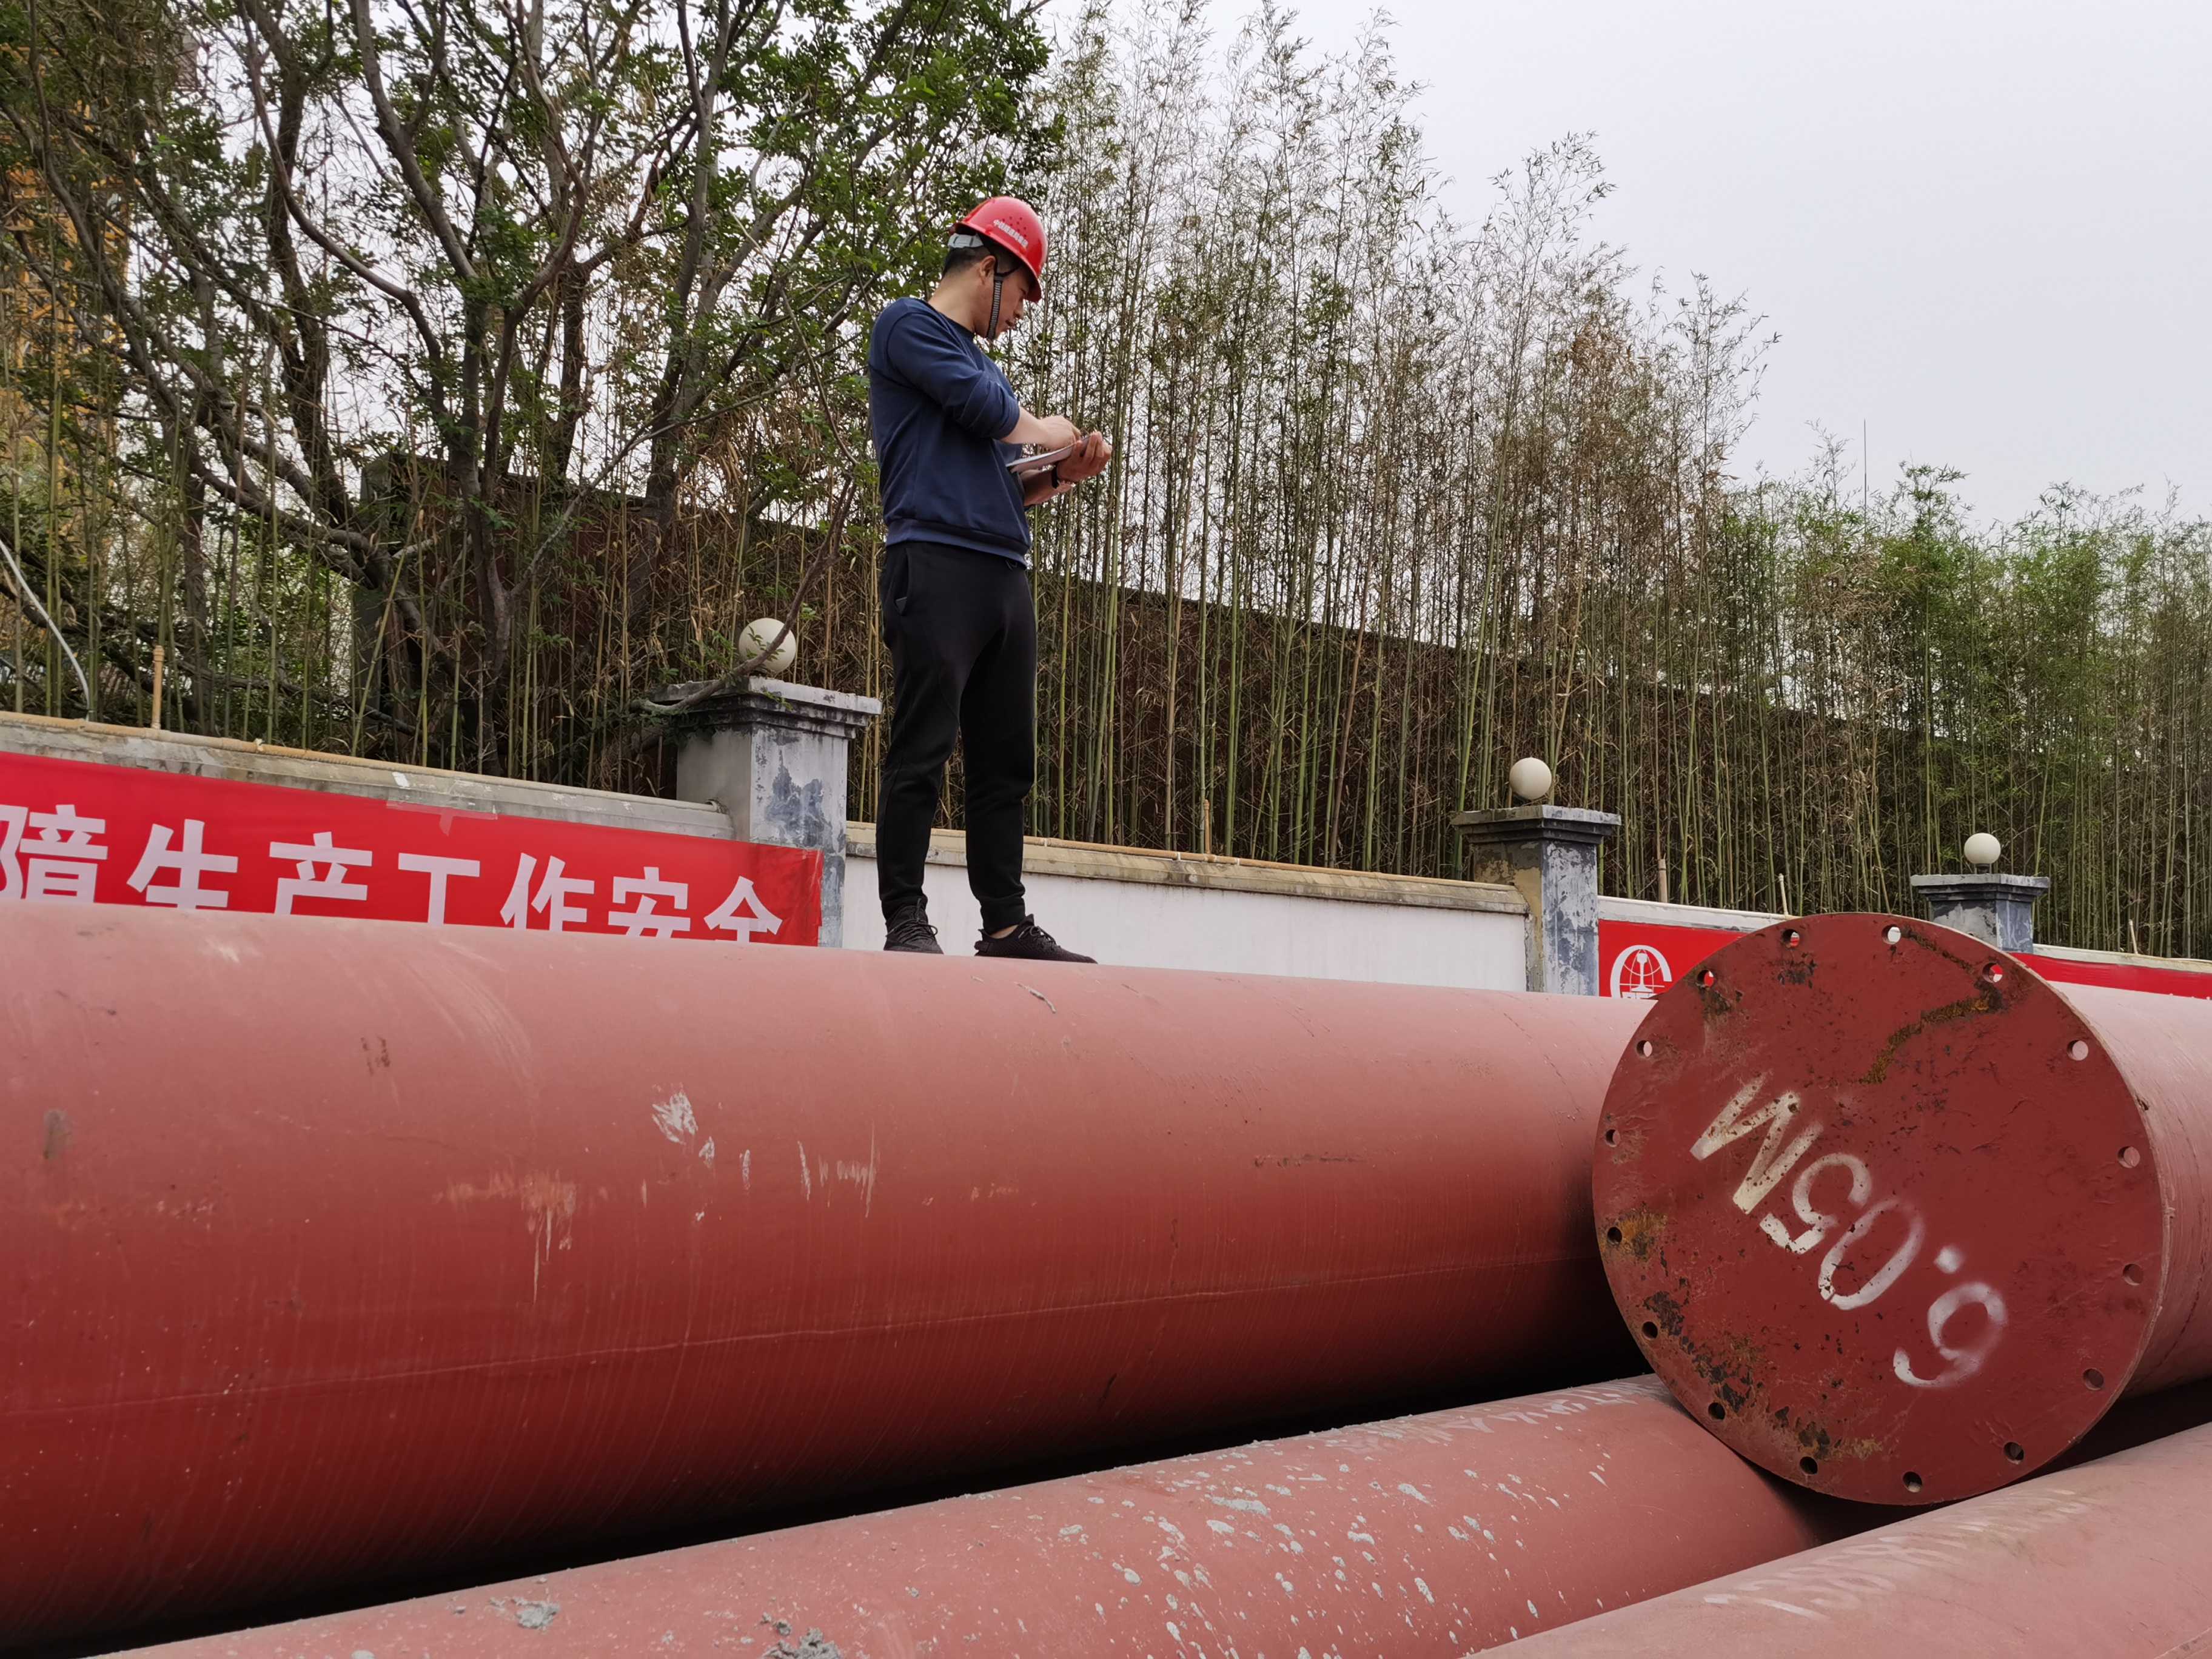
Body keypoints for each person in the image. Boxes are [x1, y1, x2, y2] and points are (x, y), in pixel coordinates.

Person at [866, 196, 1112, 959]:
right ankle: (906, 919)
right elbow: (983, 411)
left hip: (1004, 569)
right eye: (1022, 293)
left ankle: (1004, 925)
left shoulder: (985, 368)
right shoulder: (908, 326)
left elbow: (1006, 480)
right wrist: (1046, 429)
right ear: (988, 267)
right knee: (923, 748)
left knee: (1006, 763)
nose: (1021, 313)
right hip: (933, 560)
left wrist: (1062, 472)